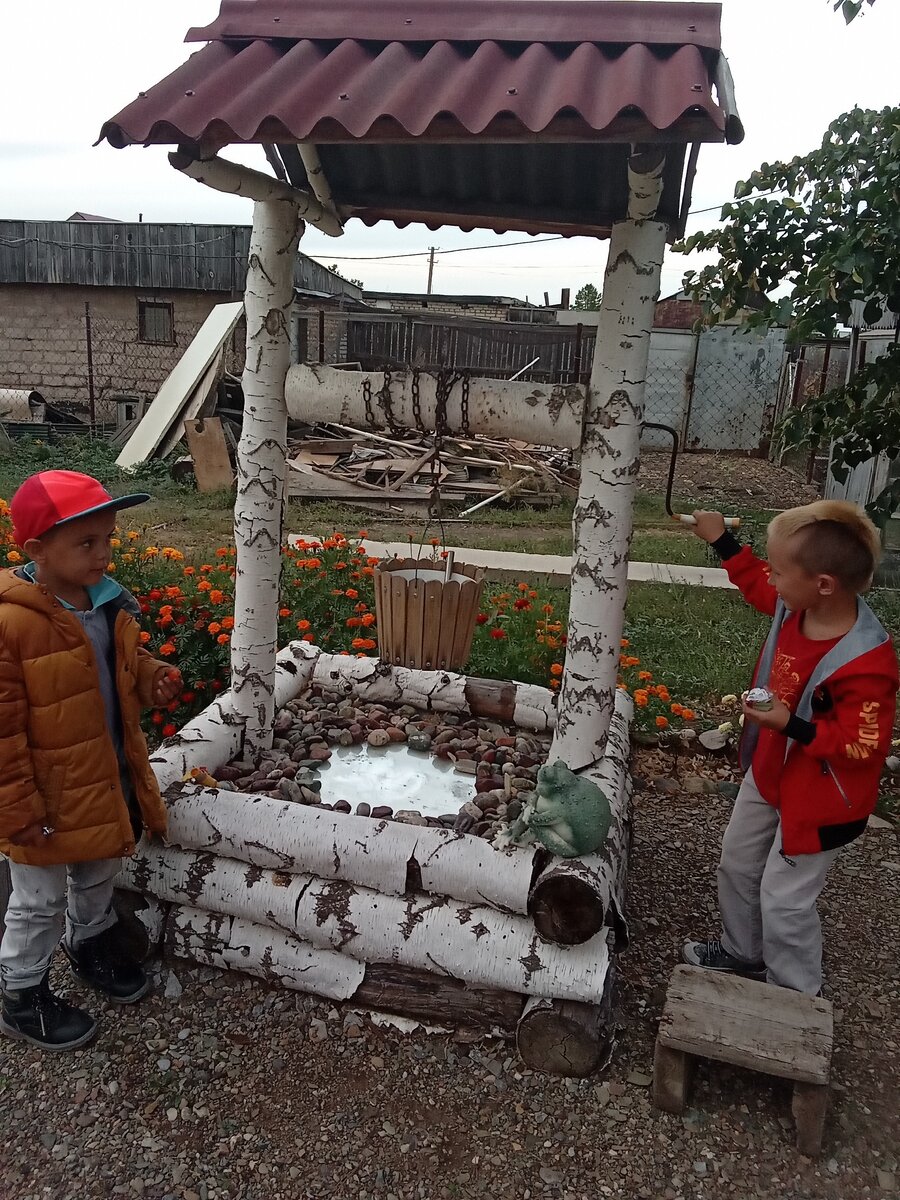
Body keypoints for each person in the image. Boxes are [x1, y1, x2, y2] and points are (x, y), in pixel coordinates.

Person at [682, 500, 898, 995]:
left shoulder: (868, 663)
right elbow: (758, 582)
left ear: (823, 584)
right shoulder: (794, 605)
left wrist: (793, 725)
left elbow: (864, 746)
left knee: (785, 899)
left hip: (822, 800)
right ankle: (743, 954)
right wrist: (722, 541)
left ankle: (794, 997)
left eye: (780, 571)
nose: (772, 581)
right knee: (737, 862)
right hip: (772, 771)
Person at [0, 470, 181, 1050]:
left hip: (99, 776)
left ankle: (91, 944)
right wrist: (15, 809)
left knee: (101, 866)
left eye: (108, 539)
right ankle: (21, 994)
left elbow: (123, 662)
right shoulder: (11, 625)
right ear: (35, 551)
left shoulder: (105, 604)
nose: (104, 554)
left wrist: (150, 675)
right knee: (38, 899)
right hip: (42, 798)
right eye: (86, 544)